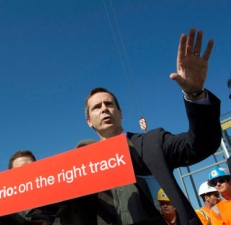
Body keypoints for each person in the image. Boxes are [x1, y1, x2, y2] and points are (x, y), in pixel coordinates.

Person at [84, 28, 221, 225]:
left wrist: (195, 94)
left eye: (109, 104)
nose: (104, 109)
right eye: (97, 107)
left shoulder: (153, 142)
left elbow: (202, 144)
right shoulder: (82, 167)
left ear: (120, 113)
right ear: (89, 121)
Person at [8, 150, 62, 225]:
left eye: (32, 167)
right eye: (22, 169)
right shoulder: (5, 210)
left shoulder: (56, 205)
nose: (28, 172)